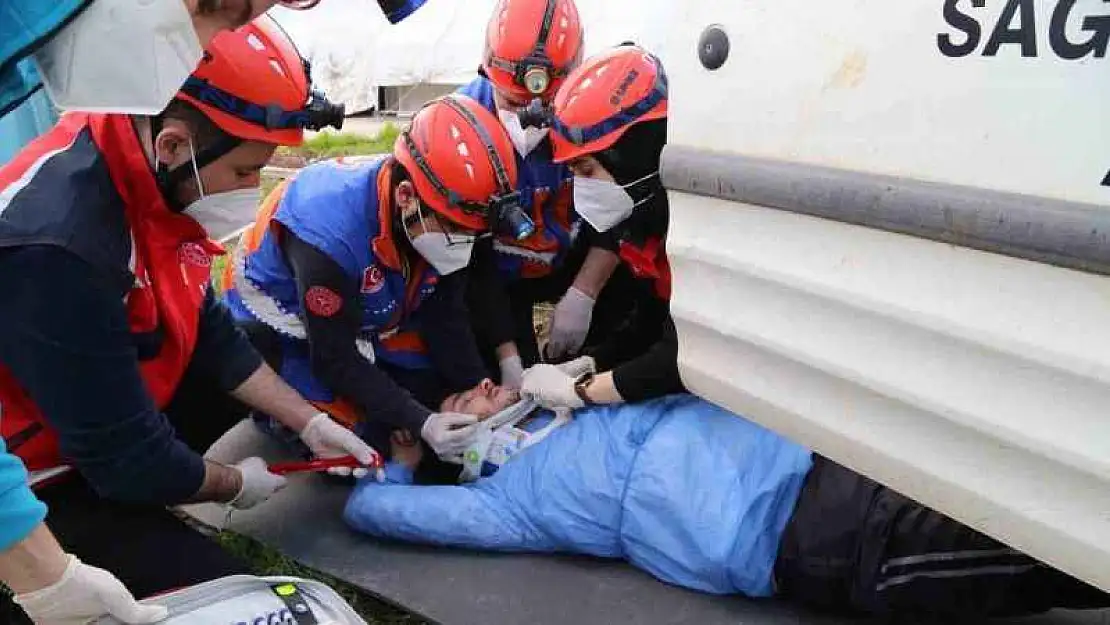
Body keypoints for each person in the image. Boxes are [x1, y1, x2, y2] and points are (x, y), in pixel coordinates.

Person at [0, 17, 382, 621]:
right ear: (174, 146)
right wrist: (232, 483)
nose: (252, 190)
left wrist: (308, 421)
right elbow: (128, 459)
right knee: (237, 597)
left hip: (90, 419)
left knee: (259, 340)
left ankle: (153, 509)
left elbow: (209, 326)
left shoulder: (138, 161)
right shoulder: (62, 248)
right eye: (244, 172)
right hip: (40, 481)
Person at [344, 387, 1110, 621]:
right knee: (1033, 547)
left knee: (1026, 486)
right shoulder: (506, 502)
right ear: (457, 435)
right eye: (464, 396)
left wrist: (576, 380)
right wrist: (403, 464)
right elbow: (376, 515)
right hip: (799, 532)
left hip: (816, 445)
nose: (484, 388)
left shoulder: (570, 402)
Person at [222, 93, 520, 471]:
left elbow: (446, 314)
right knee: (364, 447)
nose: (463, 245)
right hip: (287, 318)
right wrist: (421, 421)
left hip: (378, 301)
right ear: (406, 196)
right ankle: (278, 412)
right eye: (456, 232)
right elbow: (334, 357)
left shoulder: (439, 211)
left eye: (473, 235)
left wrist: (477, 384)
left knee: (435, 391)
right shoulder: (328, 235)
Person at [459, 0, 626, 388]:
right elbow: (472, 261)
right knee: (512, 386)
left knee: (607, 359)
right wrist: (509, 355)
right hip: (498, 278)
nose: (526, 118)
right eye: (512, 103)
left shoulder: (598, 107)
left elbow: (622, 209)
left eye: (542, 106)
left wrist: (585, 292)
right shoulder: (461, 124)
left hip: (578, 253)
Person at [519, 45, 682, 410]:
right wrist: (593, 362)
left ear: (633, 155)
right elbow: (651, 324)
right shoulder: (642, 218)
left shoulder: (692, 228)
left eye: (587, 170)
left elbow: (686, 355)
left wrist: (582, 392)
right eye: (573, 172)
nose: (582, 187)